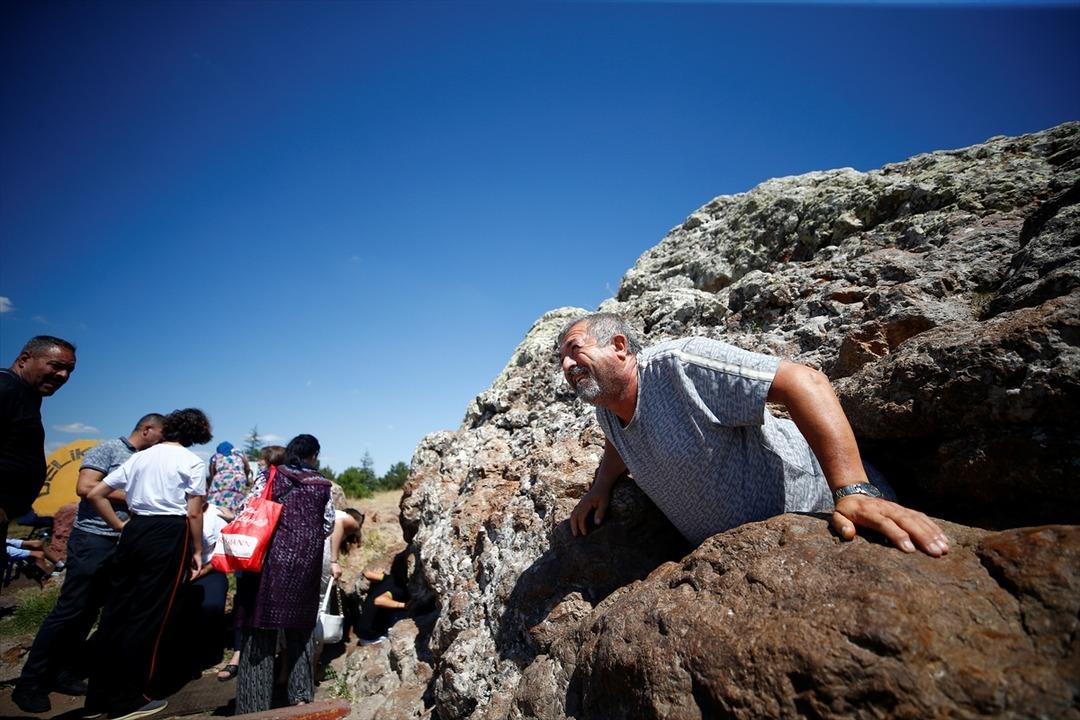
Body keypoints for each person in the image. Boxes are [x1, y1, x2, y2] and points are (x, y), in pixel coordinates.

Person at [560, 313, 950, 557]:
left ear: (620, 346)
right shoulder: (608, 412)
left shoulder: (680, 366)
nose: (565, 364)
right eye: (559, 358)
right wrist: (600, 486)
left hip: (826, 520)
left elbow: (804, 381)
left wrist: (853, 492)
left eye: (574, 349)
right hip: (754, 558)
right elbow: (621, 444)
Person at [12, 414, 165, 714]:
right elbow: (86, 486)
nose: (163, 440)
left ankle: (63, 673)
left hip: (123, 545)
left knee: (92, 610)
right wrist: (140, 496)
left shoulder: (145, 459)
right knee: (70, 609)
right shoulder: (107, 450)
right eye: (161, 434)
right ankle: (30, 683)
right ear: (147, 429)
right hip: (94, 539)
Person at [83, 408, 213, 720]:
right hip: (168, 532)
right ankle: (128, 699)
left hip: (136, 529)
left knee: (116, 611)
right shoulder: (191, 462)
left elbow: (96, 493)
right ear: (195, 434)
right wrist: (197, 550)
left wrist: (119, 525)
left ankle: (97, 699)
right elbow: (194, 513)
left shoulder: (140, 457)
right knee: (150, 614)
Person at [234, 434, 333, 714]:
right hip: (304, 566)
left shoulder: (270, 475)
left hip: (267, 566)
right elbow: (327, 525)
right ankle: (300, 698)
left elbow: (248, 509)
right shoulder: (322, 484)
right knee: (300, 632)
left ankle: (253, 706)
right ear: (313, 455)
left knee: (260, 633)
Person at [1, 336, 76, 582]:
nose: (63, 375)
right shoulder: (6, 387)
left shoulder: (26, 395)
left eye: (69, 370)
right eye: (56, 365)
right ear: (24, 359)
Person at [216, 444, 288, 682]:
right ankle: (279, 660)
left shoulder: (263, 480)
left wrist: (231, 517)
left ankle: (238, 655)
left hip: (253, 551)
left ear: (267, 462)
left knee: (244, 602)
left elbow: (246, 509)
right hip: (277, 554)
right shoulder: (292, 482)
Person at [206, 441, 251, 516]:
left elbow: (212, 469)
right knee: (236, 500)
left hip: (221, 480)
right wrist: (246, 479)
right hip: (239, 479)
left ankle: (217, 516)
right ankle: (233, 517)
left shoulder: (216, 456)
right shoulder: (239, 455)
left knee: (216, 501)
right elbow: (247, 467)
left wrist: (211, 481)